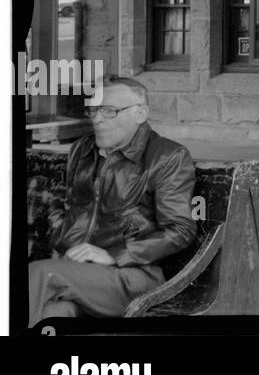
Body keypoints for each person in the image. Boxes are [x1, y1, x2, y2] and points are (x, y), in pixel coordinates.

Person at [29, 76, 196, 326]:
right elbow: (65, 203)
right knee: (55, 312)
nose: (97, 118)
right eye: (94, 110)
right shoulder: (82, 149)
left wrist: (114, 255)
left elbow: (181, 230)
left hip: (133, 276)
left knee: (39, 273)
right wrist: (62, 234)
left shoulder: (166, 156)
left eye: (109, 110)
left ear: (140, 114)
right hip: (78, 272)